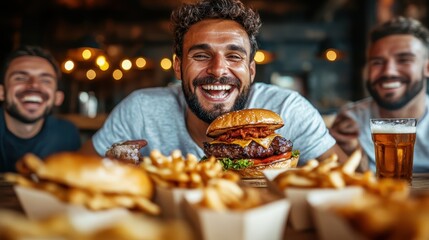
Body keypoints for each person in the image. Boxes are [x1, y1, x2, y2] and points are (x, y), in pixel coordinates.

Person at [80, 0, 347, 164]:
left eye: (233, 56)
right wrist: (108, 173)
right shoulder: (140, 110)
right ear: (177, 66)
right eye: (201, 55)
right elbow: (74, 172)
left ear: (251, 70)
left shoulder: (288, 110)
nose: (218, 70)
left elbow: (351, 184)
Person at [330, 16, 429, 172]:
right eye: (377, 62)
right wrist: (347, 151)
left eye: (404, 60)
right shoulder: (351, 119)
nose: (388, 71)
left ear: (427, 68)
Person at [0, 45, 81, 173]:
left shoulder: (67, 135)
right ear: (2, 92)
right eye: (20, 78)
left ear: (57, 97)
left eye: (45, 80)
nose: (34, 85)